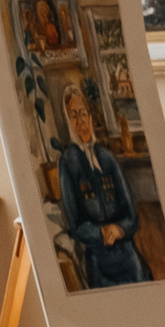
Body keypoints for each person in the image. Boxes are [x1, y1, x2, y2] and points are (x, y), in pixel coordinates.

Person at [55, 80, 149, 288]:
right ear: (68, 121)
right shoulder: (67, 163)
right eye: (73, 116)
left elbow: (131, 215)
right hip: (97, 257)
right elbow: (75, 224)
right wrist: (100, 233)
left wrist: (120, 229)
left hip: (125, 249)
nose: (80, 122)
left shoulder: (107, 158)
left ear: (89, 115)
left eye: (82, 114)